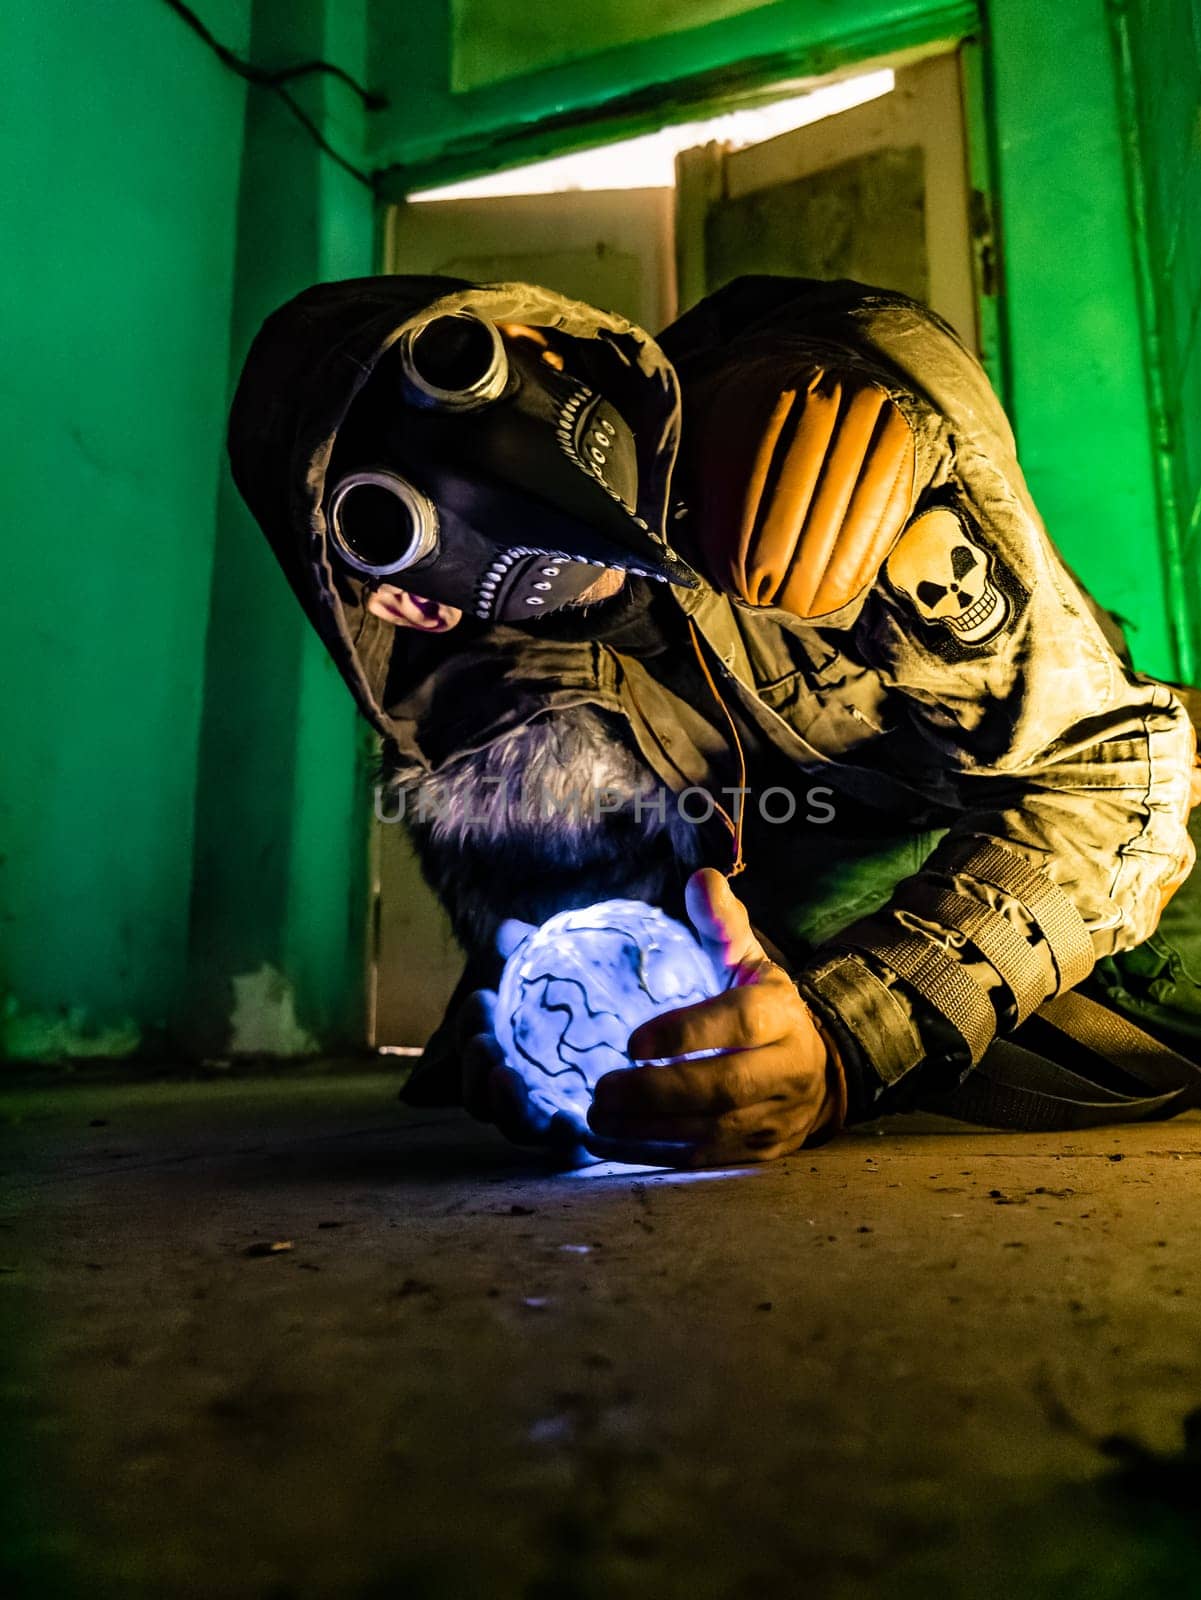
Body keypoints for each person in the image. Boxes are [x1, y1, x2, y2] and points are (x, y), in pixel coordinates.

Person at [228, 273, 1201, 1167]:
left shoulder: (827, 423)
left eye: (464, 368)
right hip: (798, 901)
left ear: (540, 337)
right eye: (384, 517)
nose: (488, 462)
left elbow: (1111, 772)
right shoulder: (495, 716)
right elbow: (639, 969)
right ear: (402, 604)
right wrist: (577, 1053)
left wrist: (855, 1036)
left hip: (1072, 817)